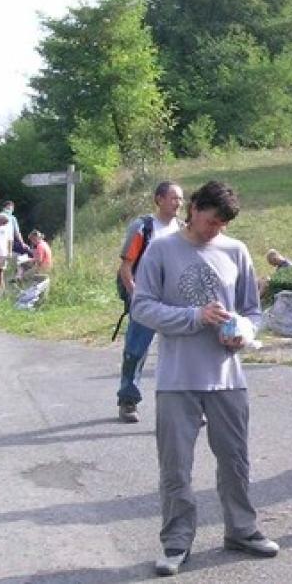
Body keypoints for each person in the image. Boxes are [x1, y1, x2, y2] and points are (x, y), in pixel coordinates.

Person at [130, 180, 279, 576]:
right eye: (211, 221)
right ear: (192, 208)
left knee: (235, 460)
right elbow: (142, 307)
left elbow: (253, 311)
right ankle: (176, 541)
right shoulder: (161, 249)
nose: (216, 230)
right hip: (177, 378)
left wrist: (244, 331)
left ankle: (241, 530)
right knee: (175, 466)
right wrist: (194, 318)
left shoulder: (236, 250)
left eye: (222, 225)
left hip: (228, 377)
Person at [116, 181, 186, 424]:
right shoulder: (142, 227)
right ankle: (128, 400)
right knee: (136, 351)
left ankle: (185, 406)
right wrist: (135, 295)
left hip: (174, 299)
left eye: (180, 199)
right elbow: (126, 266)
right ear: (158, 199)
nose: (179, 203)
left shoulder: (183, 229)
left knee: (181, 352)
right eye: (174, 198)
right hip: (145, 298)